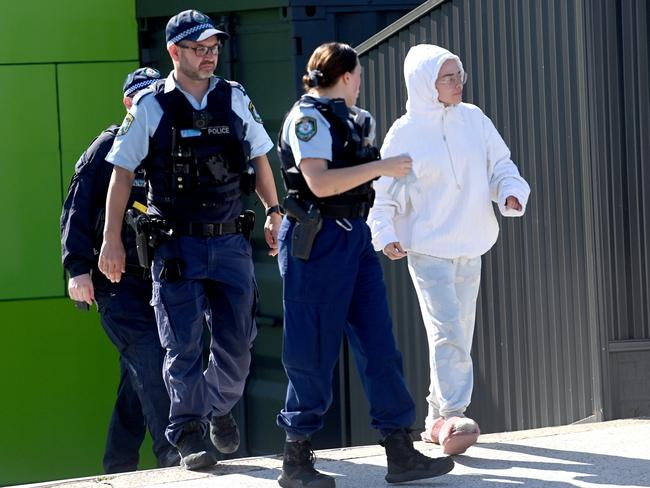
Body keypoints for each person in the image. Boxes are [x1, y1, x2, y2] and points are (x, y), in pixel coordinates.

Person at [98, 9, 282, 470]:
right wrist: (110, 241)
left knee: (237, 348)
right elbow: (121, 175)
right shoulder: (151, 107)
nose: (209, 55)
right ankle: (189, 432)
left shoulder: (235, 98)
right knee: (181, 344)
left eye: (214, 47)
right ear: (174, 52)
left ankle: (217, 406)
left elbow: (260, 157)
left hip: (229, 244)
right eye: (199, 48)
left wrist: (273, 210)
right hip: (176, 247)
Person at [275, 42, 455, 488]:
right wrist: (381, 166)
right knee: (311, 349)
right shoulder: (308, 118)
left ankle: (400, 450)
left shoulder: (354, 119)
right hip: (317, 242)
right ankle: (295, 458)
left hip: (353, 238)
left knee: (379, 344)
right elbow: (317, 182)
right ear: (349, 75)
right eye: (358, 75)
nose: (361, 84)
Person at [367, 44, 531, 455]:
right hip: (428, 249)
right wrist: (384, 233)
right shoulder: (404, 132)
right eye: (448, 77)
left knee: (461, 329)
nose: (458, 84)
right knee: (447, 331)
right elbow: (382, 193)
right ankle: (455, 412)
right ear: (424, 82)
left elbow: (500, 166)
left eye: (460, 76)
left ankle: (436, 417)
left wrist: (509, 193)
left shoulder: (474, 119)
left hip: (471, 243)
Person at [60, 67, 180, 473]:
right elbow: (75, 209)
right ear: (129, 103)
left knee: (138, 377)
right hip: (116, 284)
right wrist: (76, 268)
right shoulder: (107, 147)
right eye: (143, 98)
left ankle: (118, 466)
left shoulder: (168, 143)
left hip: (160, 280)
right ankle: (174, 456)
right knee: (151, 357)